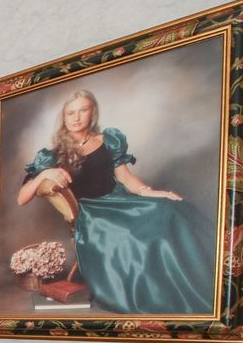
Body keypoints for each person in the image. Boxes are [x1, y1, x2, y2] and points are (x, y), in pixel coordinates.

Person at [17, 89, 216, 315]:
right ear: (64, 117)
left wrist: (151, 192)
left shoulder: (108, 140)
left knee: (171, 209)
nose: (76, 117)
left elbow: (126, 178)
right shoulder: (52, 155)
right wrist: (44, 174)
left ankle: (204, 282)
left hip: (120, 199)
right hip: (93, 212)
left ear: (93, 112)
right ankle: (156, 294)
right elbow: (22, 198)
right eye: (71, 113)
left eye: (83, 110)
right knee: (135, 234)